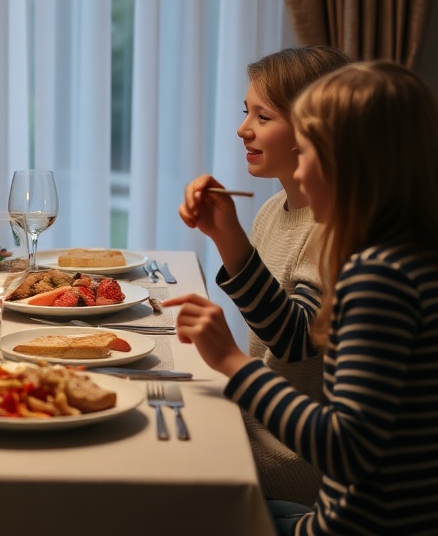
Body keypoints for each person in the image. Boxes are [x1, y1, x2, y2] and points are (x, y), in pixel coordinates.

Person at [166, 61, 438, 535]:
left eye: (309, 150)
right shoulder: (407, 259)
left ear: (353, 163)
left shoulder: (378, 277)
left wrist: (231, 362)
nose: (301, 167)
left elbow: (345, 446)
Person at [177, 46, 350, 504]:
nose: (243, 129)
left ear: (314, 129)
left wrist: (227, 356)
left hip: (293, 454)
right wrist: (227, 235)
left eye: (264, 116)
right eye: (245, 112)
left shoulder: (336, 226)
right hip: (259, 417)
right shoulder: (273, 210)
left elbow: (296, 341)